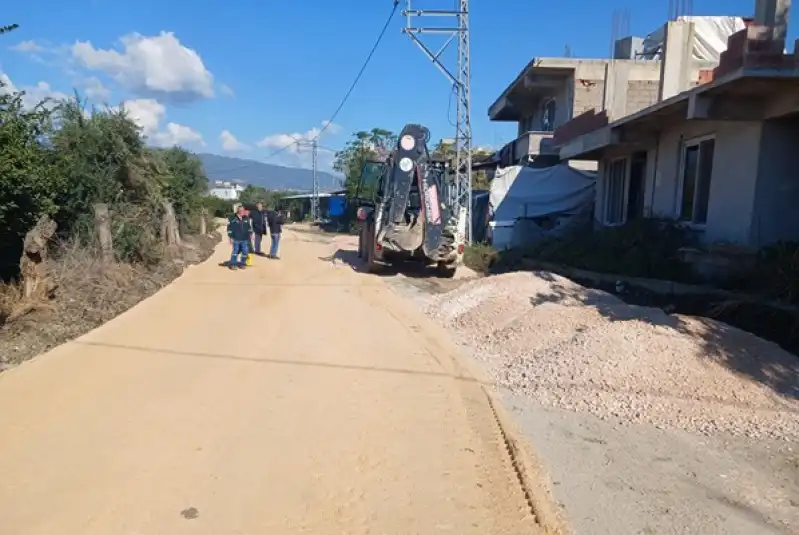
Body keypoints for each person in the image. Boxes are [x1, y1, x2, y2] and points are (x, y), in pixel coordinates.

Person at [227, 205, 253, 269]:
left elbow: (249, 228)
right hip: (236, 239)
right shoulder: (233, 219)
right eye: (240, 210)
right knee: (235, 251)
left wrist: (250, 234)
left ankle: (242, 264)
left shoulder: (246, 218)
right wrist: (230, 237)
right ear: (238, 211)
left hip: (245, 239)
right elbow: (229, 229)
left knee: (245, 252)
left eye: (243, 210)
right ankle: (233, 264)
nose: (242, 211)